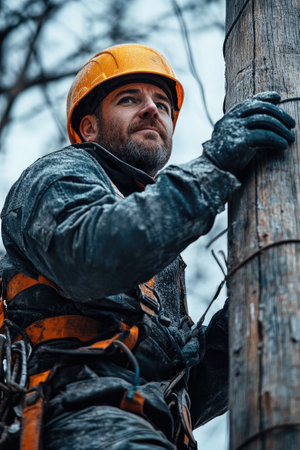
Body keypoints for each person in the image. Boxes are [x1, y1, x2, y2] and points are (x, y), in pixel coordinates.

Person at [0, 43, 295, 449]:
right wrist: (215, 166)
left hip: (151, 431)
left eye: (162, 103)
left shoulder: (163, 255)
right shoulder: (59, 175)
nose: (152, 109)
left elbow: (185, 384)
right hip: (77, 417)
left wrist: (260, 299)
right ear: (88, 128)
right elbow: (91, 255)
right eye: (129, 99)